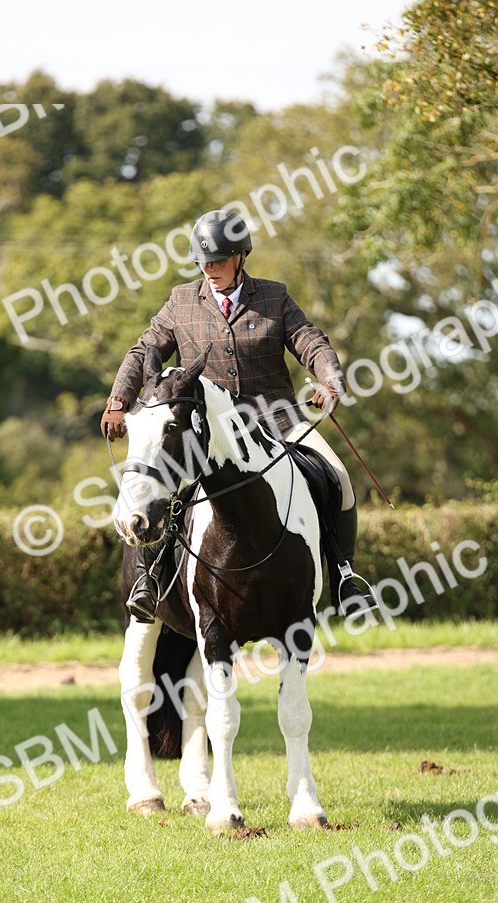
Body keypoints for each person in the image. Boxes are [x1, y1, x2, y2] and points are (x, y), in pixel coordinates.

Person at [101, 209, 376, 623]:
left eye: (219, 260)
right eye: (204, 262)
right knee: (164, 486)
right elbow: (145, 351)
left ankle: (343, 575)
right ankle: (149, 578)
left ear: (241, 256)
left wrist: (329, 381)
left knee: (336, 475)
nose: (211, 270)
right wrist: (118, 401)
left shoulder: (273, 296)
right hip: (210, 431)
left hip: (278, 421)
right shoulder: (180, 302)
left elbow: (311, 341)